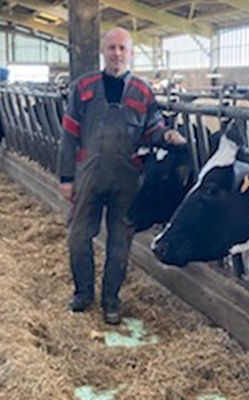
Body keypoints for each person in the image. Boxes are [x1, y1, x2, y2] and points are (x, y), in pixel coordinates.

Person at [58, 27, 186, 325]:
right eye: (112, 48)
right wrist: (66, 177)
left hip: (128, 178)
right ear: (104, 51)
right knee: (78, 237)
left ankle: (111, 301)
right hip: (88, 174)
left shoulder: (142, 91)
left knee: (120, 243)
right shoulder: (83, 87)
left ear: (130, 54)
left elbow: (152, 127)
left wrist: (167, 134)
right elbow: (68, 136)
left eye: (122, 49)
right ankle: (83, 293)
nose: (116, 53)